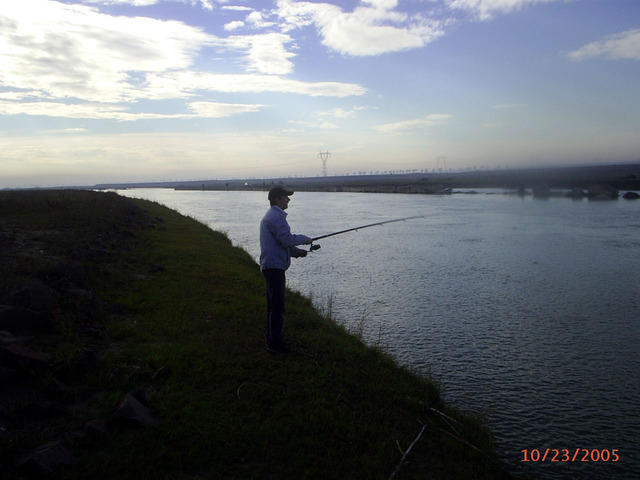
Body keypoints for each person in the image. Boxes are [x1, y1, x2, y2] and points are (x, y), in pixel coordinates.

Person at [259, 186, 312, 353]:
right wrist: (305, 239)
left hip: (271, 266)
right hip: (274, 268)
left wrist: (296, 252)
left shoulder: (273, 216)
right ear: (276, 199)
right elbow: (287, 239)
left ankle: (272, 340)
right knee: (277, 307)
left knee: (273, 306)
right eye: (285, 197)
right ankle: (275, 345)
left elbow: (280, 243)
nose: (288, 200)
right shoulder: (276, 217)